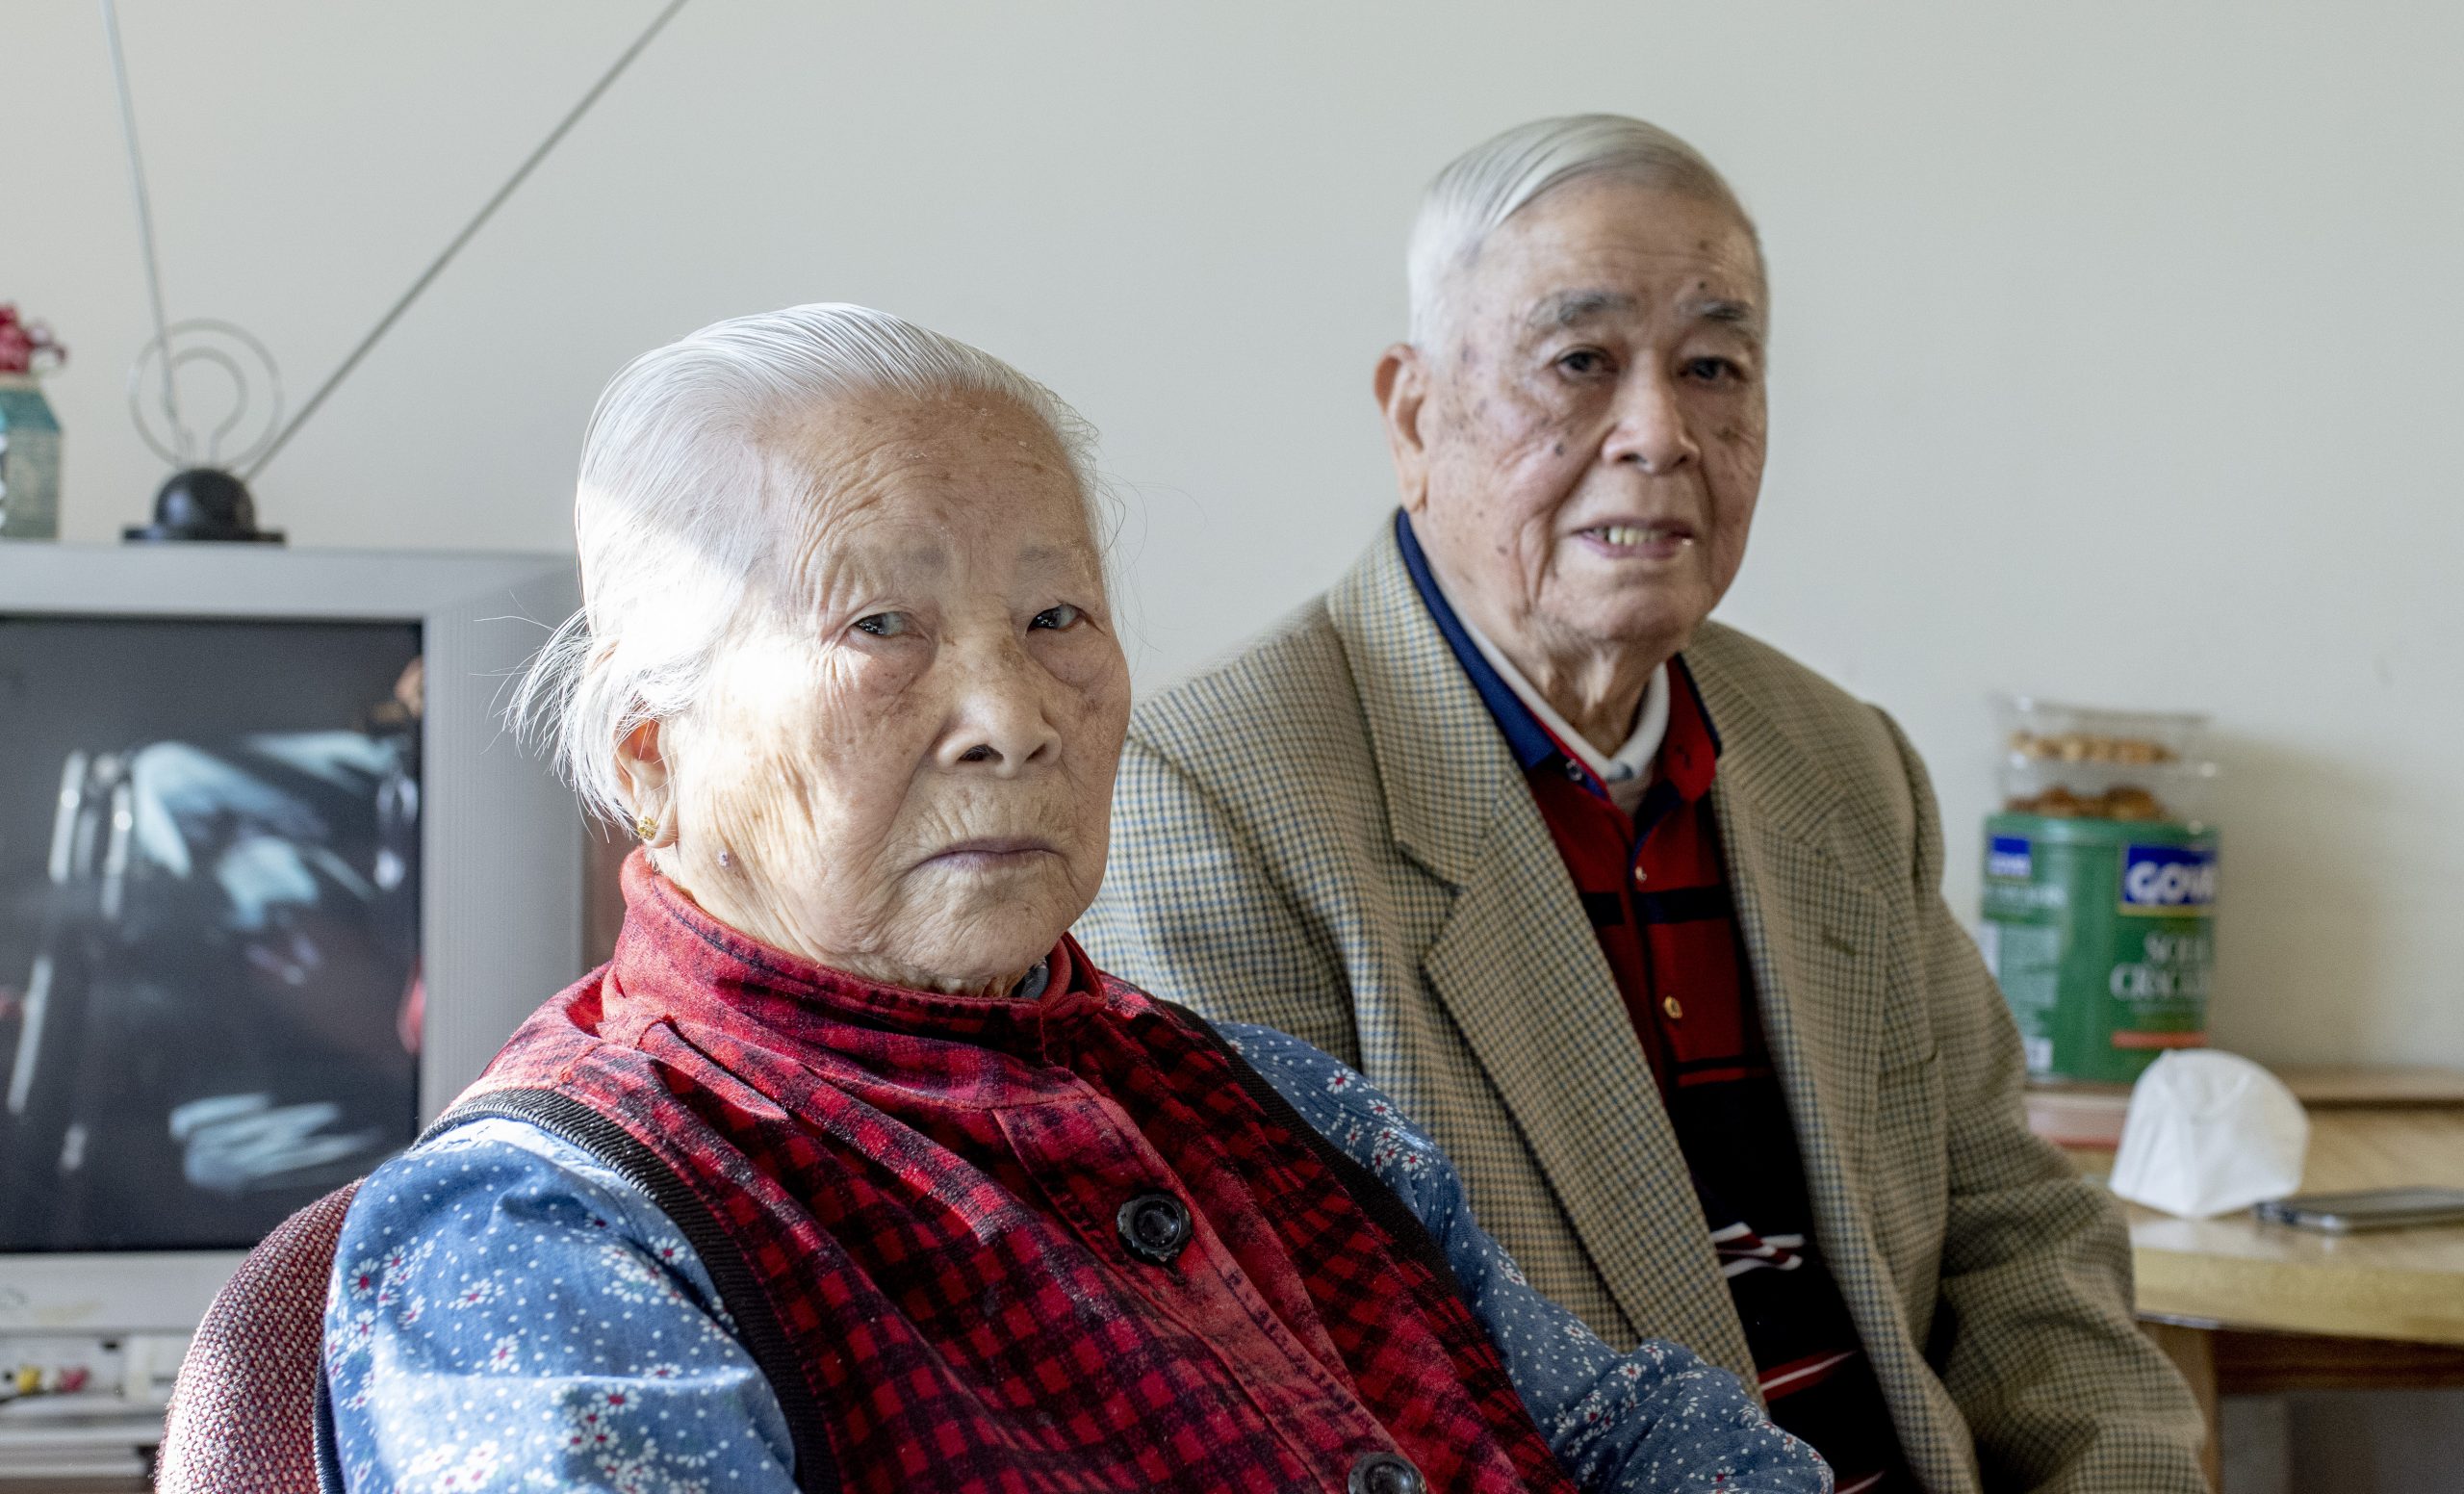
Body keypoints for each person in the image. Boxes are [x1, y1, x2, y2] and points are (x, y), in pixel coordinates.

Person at [318, 304, 1829, 1494]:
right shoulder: (540, 1239)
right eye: (880, 625)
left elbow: (1636, 1436)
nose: (1012, 714)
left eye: (1056, 617)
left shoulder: (1277, 1107)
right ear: (656, 757)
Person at [1075, 116, 2207, 1493]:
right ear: (1417, 415)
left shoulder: (1839, 760)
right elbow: (1328, 1390)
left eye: (1715, 367)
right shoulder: (1217, 796)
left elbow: (2021, 1235)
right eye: (1581, 363)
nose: (1660, 434)